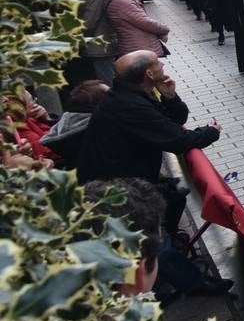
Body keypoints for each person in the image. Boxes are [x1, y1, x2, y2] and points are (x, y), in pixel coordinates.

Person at [78, 51, 221, 229]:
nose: (162, 65)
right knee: (173, 201)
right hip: (117, 193)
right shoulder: (129, 105)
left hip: (125, 180)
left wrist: (170, 97)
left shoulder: (130, 93)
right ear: (149, 74)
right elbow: (177, 140)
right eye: (157, 62)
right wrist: (211, 131)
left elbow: (174, 120)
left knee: (173, 197)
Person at [104, 0, 170, 56]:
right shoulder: (121, 2)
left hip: (137, 45)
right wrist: (164, 28)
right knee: (148, 69)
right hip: (139, 47)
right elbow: (144, 22)